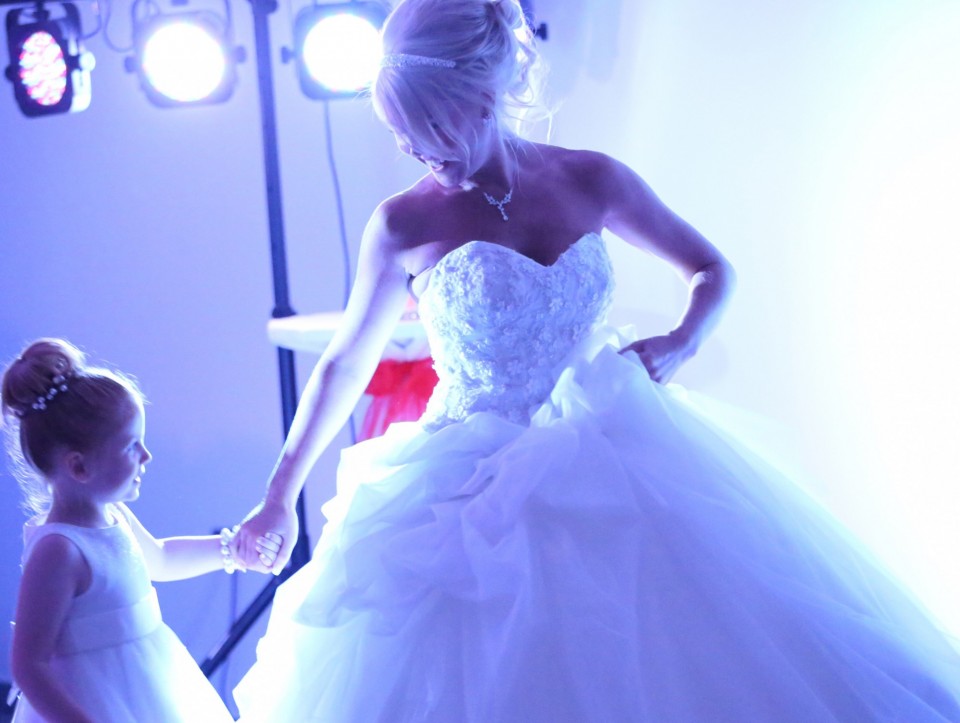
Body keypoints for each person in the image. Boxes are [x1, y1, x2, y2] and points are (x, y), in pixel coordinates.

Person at [234, 0, 960, 719]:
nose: (421, 155)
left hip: (613, 445)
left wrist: (682, 339)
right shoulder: (403, 222)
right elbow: (343, 365)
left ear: (482, 99)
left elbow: (710, 267)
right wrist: (278, 495)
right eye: (402, 138)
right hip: (468, 483)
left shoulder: (591, 180)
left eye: (432, 134)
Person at [1, 338, 281, 722]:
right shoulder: (59, 551)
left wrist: (230, 550)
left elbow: (161, 559)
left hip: (150, 684)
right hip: (95, 703)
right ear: (79, 467)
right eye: (132, 446)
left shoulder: (113, 515)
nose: (146, 456)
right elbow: (29, 664)